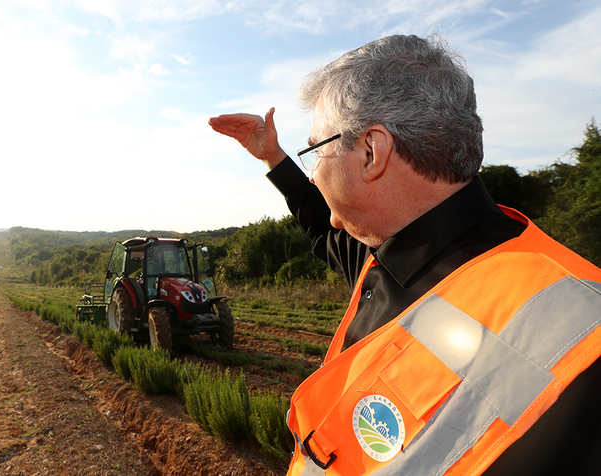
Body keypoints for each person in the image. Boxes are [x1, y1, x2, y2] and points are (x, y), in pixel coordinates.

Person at [209, 34, 601, 476]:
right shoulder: (390, 256)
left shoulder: (585, 330)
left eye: (315, 151)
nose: (314, 174)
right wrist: (275, 159)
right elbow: (325, 228)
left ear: (373, 152)